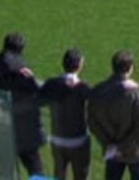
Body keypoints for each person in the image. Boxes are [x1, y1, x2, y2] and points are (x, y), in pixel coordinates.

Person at [0, 32, 46, 178]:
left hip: (1, 128)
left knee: (6, 169)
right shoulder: (22, 74)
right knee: (36, 169)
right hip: (23, 130)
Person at [88, 51, 139, 180]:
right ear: (130, 68)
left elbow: (92, 121)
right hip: (136, 150)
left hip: (112, 150)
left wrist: (108, 144)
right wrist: (122, 146)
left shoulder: (99, 90)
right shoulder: (137, 93)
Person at [41, 49, 92, 180]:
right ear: (80, 65)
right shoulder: (83, 87)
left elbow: (38, 101)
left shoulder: (51, 83)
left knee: (59, 174)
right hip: (78, 141)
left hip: (57, 139)